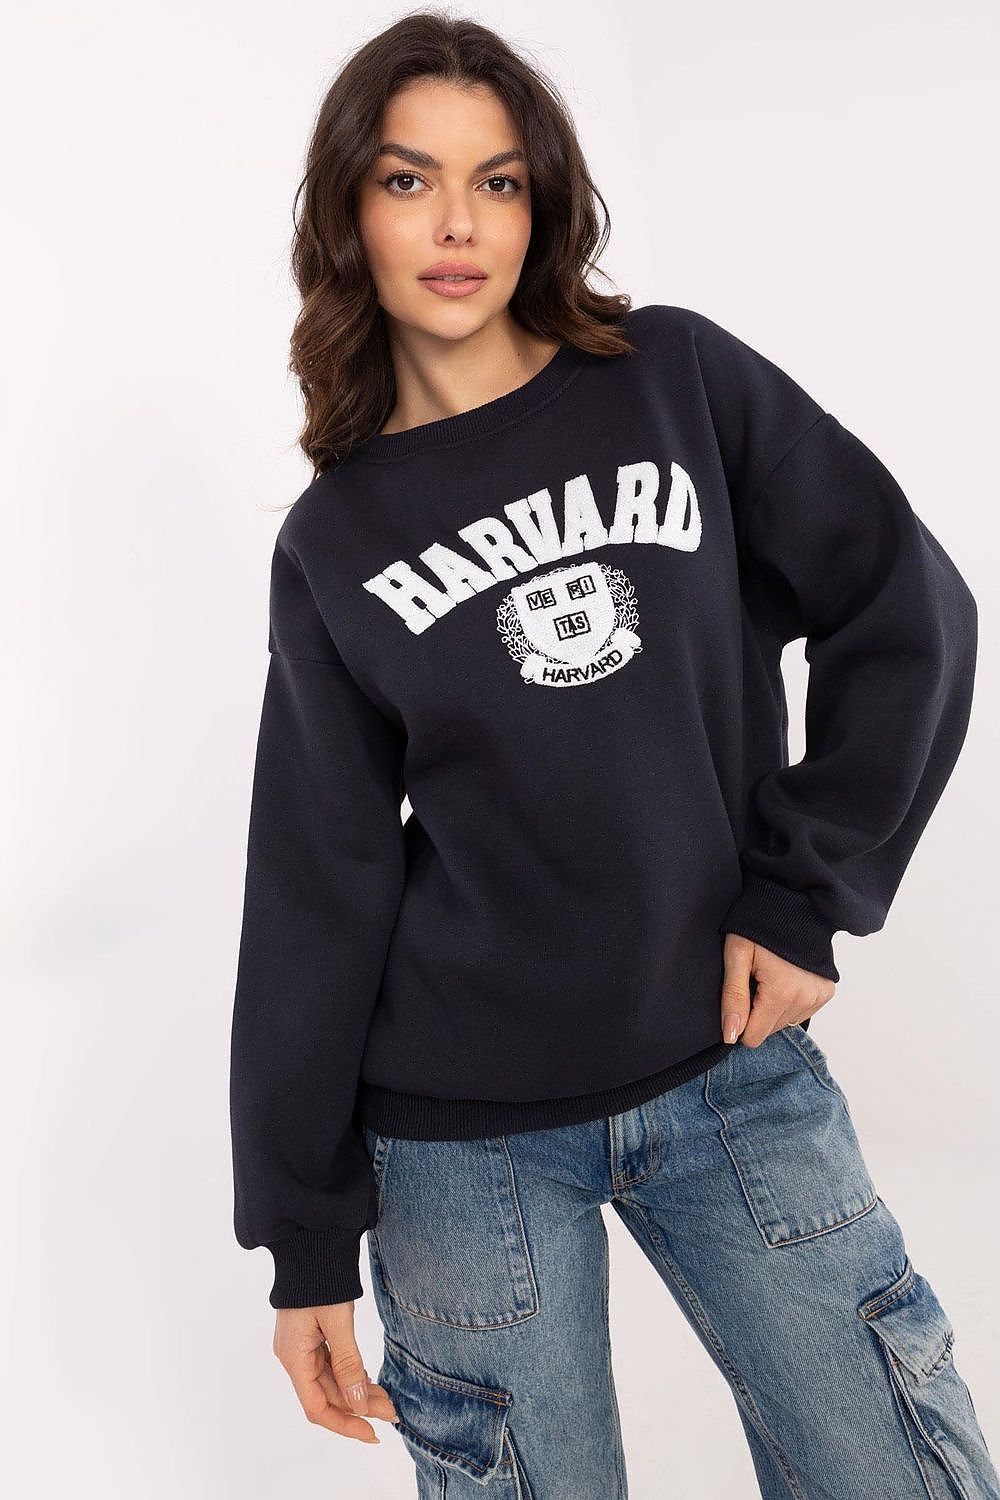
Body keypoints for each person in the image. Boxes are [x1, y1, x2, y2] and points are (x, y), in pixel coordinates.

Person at [228, 12, 999, 1497]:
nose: (458, 224)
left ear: (545, 204)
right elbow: (316, 883)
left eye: (499, 182)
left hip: (729, 1065)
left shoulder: (674, 378)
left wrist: (806, 892)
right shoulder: (337, 537)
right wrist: (304, 1239)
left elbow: (907, 609)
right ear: (348, 213)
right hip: (461, 1141)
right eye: (408, 181)